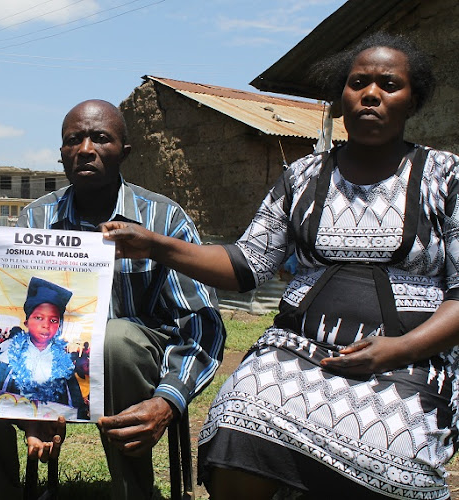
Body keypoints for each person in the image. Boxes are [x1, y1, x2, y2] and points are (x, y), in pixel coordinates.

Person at [102, 33, 459, 499]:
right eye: (358, 83)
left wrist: (399, 349)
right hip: (298, 351)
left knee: (392, 451)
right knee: (236, 419)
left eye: (389, 85)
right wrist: (156, 245)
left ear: (413, 100)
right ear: (341, 96)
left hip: (409, 361)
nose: (371, 94)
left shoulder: (444, 176)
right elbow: (246, 263)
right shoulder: (303, 177)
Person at [0, 99, 226, 499]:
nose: (86, 149)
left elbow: (201, 321)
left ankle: (133, 493)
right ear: (62, 153)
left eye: (100, 138)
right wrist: (32, 405)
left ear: (124, 152)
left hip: (130, 364)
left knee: (115, 339)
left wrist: (169, 399)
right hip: (45, 358)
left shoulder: (163, 219)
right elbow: (6, 305)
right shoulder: (35, 219)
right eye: (73, 140)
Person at [0, 277, 86, 420]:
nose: (46, 325)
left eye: (53, 320)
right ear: (26, 322)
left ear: (59, 326)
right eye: (39, 318)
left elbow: (77, 410)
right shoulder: (5, 359)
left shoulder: (65, 368)